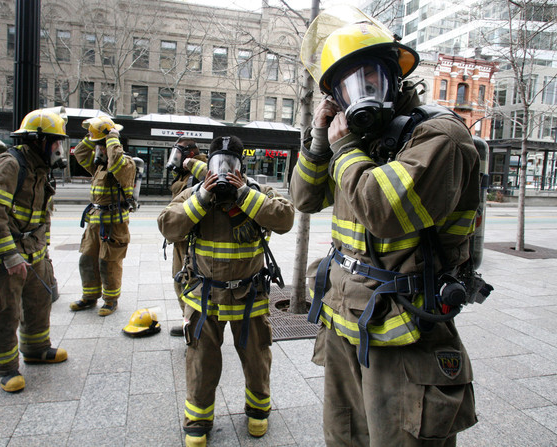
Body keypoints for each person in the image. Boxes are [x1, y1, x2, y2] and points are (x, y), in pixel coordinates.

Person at [291, 6, 479, 446]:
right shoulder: (354, 140)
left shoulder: (437, 136)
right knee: (343, 438)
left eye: (370, 77)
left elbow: (385, 212)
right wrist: (321, 139)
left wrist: (345, 149)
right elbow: (303, 198)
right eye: (347, 83)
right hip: (342, 322)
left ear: (393, 76)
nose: (362, 91)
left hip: (404, 335)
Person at [158, 135, 294, 447]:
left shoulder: (257, 194)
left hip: (250, 298)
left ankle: (259, 410)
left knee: (257, 359)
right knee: (201, 360)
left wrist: (245, 193)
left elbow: (285, 218)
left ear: (241, 169)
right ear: (208, 167)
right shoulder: (194, 194)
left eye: (230, 166)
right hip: (205, 299)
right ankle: (198, 420)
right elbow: (167, 225)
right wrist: (202, 198)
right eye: (218, 165)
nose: (223, 173)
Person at [0, 109, 69, 393]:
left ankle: (37, 349)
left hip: (32, 252)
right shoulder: (9, 165)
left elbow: (41, 214)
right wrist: (9, 255)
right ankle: (5, 368)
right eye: (54, 142)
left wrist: (42, 250)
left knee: (39, 302)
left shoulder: (39, 168)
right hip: (1, 258)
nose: (58, 149)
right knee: (3, 311)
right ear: (38, 141)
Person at [69, 117, 136, 317]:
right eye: (98, 148)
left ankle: (110, 300)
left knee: (109, 262)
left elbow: (116, 162)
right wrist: (93, 136)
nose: (99, 152)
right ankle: (89, 297)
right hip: (94, 224)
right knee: (87, 259)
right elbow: (80, 153)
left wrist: (112, 136)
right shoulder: (99, 166)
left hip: (114, 224)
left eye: (102, 148)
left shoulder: (126, 164)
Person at [165, 137, 208, 336]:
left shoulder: (201, 169)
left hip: (193, 241)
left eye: (179, 152)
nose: (175, 157)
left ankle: (196, 331)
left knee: (193, 285)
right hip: (180, 239)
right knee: (179, 282)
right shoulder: (183, 174)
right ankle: (187, 323)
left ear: (190, 154)